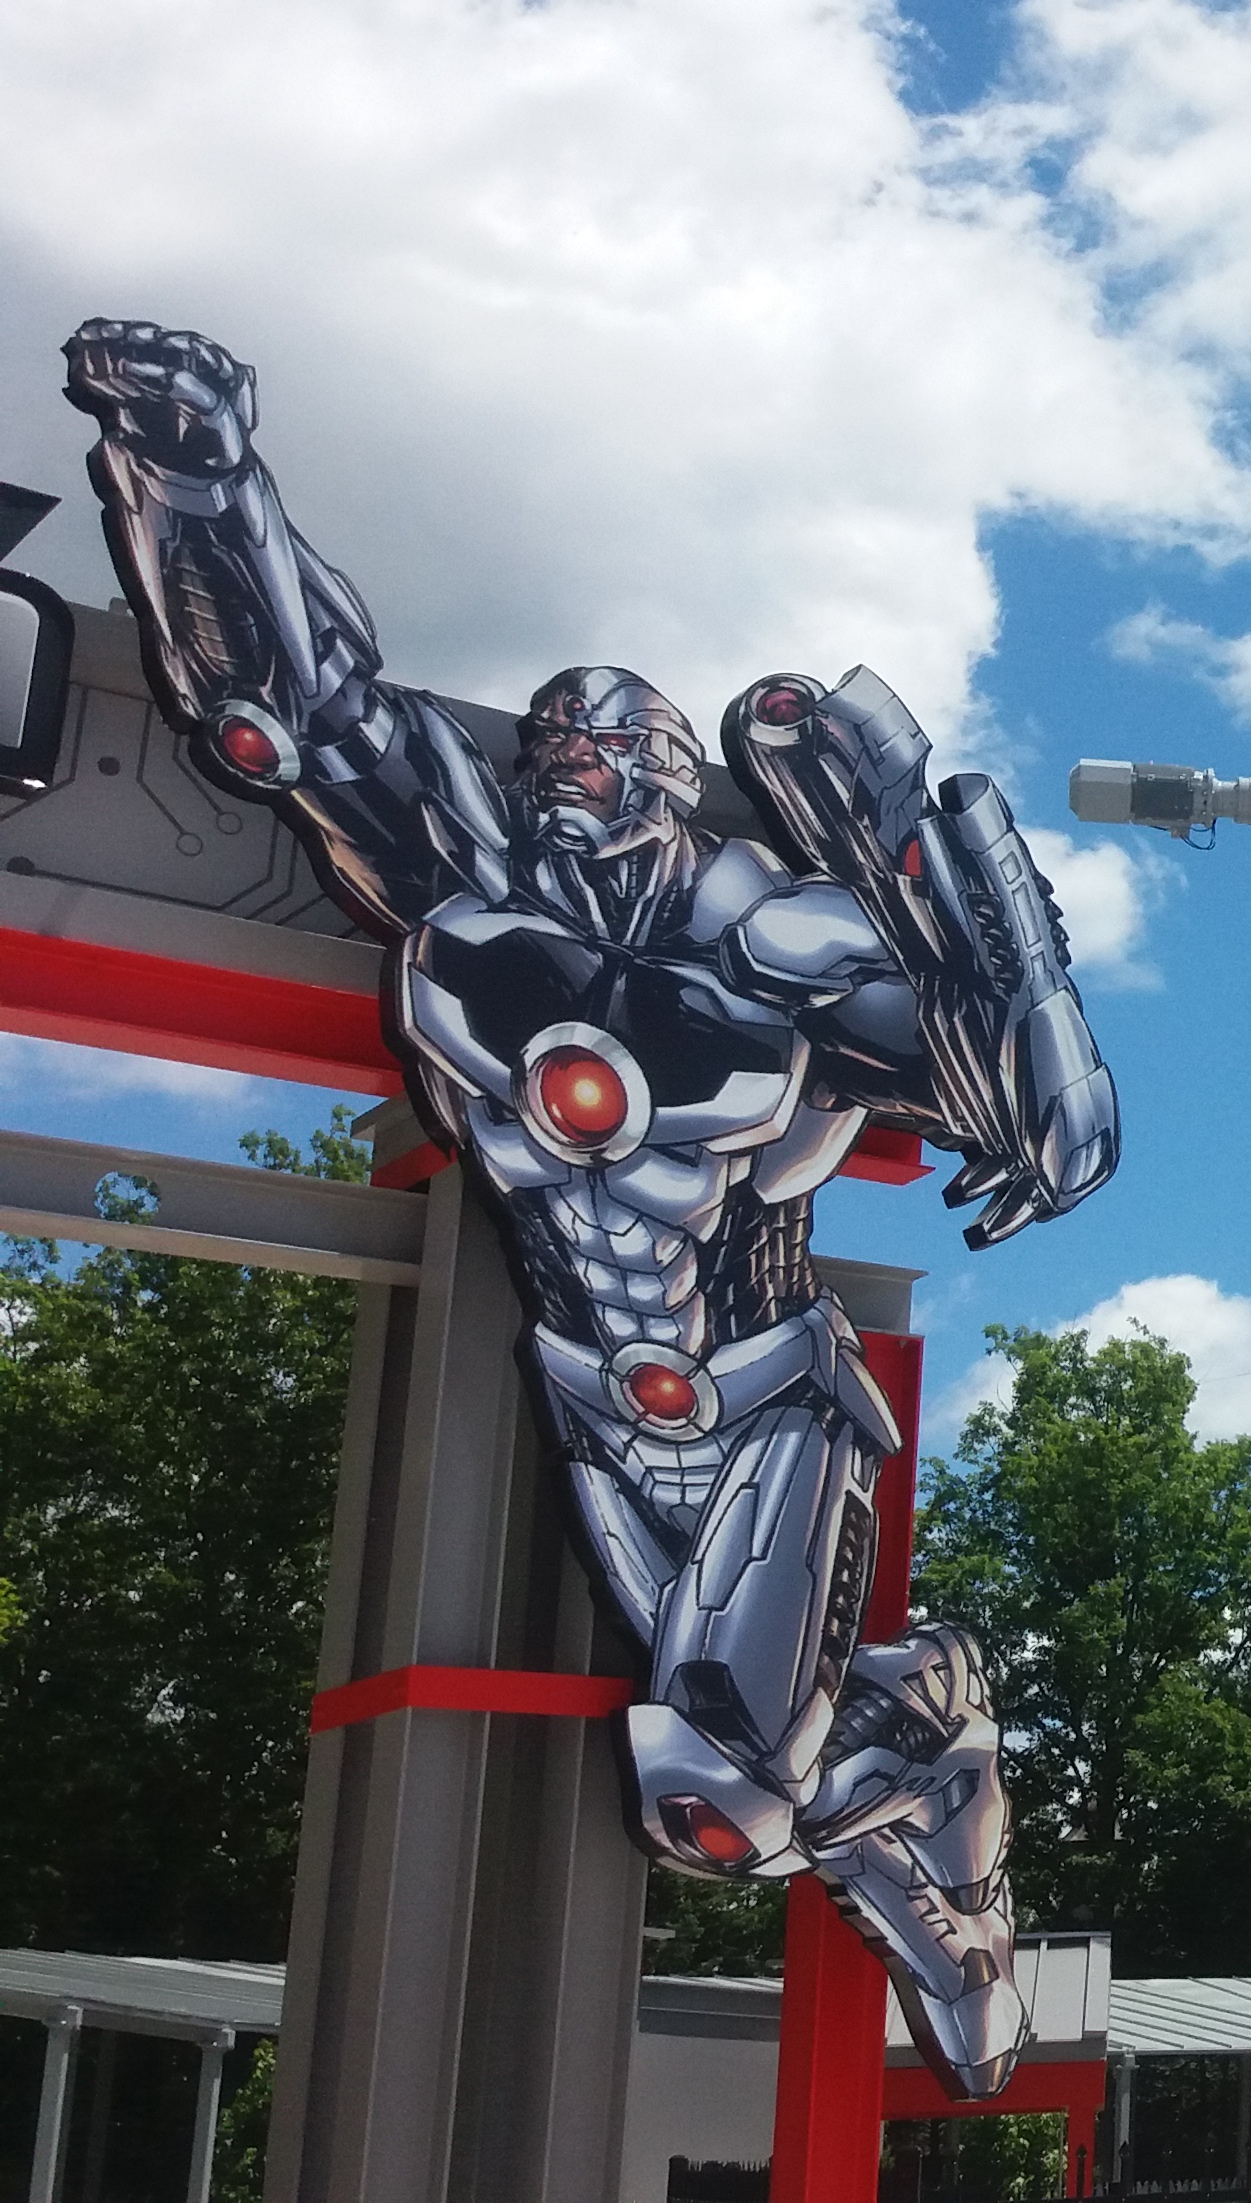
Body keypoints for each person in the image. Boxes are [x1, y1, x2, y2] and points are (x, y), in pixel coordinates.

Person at [68, 319, 1119, 2097]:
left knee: (712, 1793)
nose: (573, 758)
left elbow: (998, 1070)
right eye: (552, 734)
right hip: (588, 1407)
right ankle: (925, 1751)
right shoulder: (472, 891)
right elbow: (300, 713)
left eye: (612, 740)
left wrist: (1008, 993)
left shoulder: (775, 944)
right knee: (742, 1778)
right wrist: (197, 471)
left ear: (670, 774)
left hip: (765, 1403)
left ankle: (935, 1792)